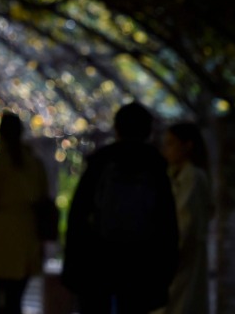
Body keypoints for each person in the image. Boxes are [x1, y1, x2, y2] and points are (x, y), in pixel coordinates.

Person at [62, 101, 179, 314]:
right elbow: (167, 225)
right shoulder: (156, 168)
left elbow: (78, 217)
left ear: (116, 129)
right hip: (141, 266)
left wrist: (72, 270)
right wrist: (165, 273)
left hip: (98, 263)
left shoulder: (100, 163)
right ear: (149, 131)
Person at [0, 110, 49, 314]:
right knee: (14, 302)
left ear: (0, 134)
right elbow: (44, 200)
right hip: (25, 240)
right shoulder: (34, 164)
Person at [163, 123, 213, 314]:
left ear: (187, 146)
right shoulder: (180, 176)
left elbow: (185, 223)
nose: (166, 149)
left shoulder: (192, 177)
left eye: (171, 143)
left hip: (182, 259)